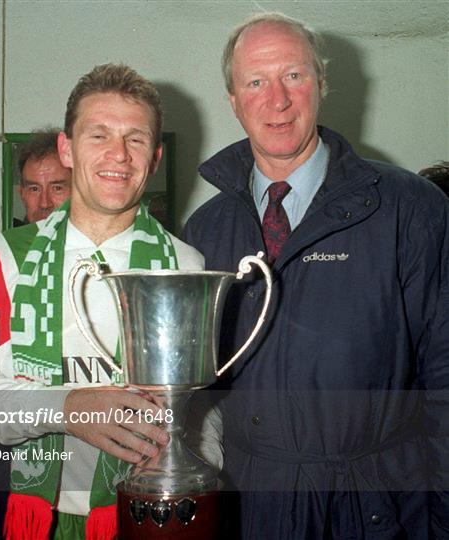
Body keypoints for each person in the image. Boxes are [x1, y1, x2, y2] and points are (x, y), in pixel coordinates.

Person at [183, 12, 449, 539]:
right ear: (233, 99)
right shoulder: (204, 230)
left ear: (322, 83)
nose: (276, 100)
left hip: (378, 508)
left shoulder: (410, 209)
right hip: (249, 504)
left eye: (294, 75)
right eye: (255, 81)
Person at [0, 63, 213, 540]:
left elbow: (204, 407)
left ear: (155, 156)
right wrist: (67, 408)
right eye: (98, 135)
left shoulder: (185, 265)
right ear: (66, 148)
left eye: (135, 138)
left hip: (148, 510)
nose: (118, 155)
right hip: (32, 510)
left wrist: (199, 481)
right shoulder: (0, 258)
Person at [14, 128, 72, 226]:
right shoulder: (5, 241)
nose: (44, 204)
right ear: (22, 194)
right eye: (34, 189)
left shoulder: (100, 240)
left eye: (57, 188)